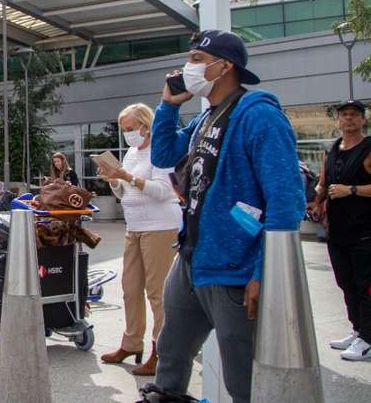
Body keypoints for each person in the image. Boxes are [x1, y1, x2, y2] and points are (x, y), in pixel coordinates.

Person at [149, 29, 305, 401]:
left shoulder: (259, 117)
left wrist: (263, 271)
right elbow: (164, 154)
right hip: (192, 258)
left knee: (242, 373)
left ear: (225, 66)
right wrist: (168, 105)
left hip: (235, 266)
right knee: (171, 353)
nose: (188, 67)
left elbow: (286, 200)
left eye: (197, 60)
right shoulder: (205, 119)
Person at [97, 103, 181, 376]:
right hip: (134, 227)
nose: (127, 134)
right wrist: (114, 180)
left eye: (130, 128)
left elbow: (166, 192)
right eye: (124, 129)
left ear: (146, 125)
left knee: (158, 293)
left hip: (160, 227)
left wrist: (129, 177)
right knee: (130, 288)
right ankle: (132, 342)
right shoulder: (132, 152)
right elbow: (124, 193)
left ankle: (162, 351)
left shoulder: (162, 151)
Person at [309, 99, 371, 361]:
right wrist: (315, 200)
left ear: (362, 120)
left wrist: (352, 190)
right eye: (344, 115)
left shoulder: (368, 149)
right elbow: (323, 183)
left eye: (354, 115)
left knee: (365, 286)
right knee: (345, 284)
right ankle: (357, 329)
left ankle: (368, 339)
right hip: (338, 230)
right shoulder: (332, 148)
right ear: (337, 120)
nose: (349, 119)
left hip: (366, 231)